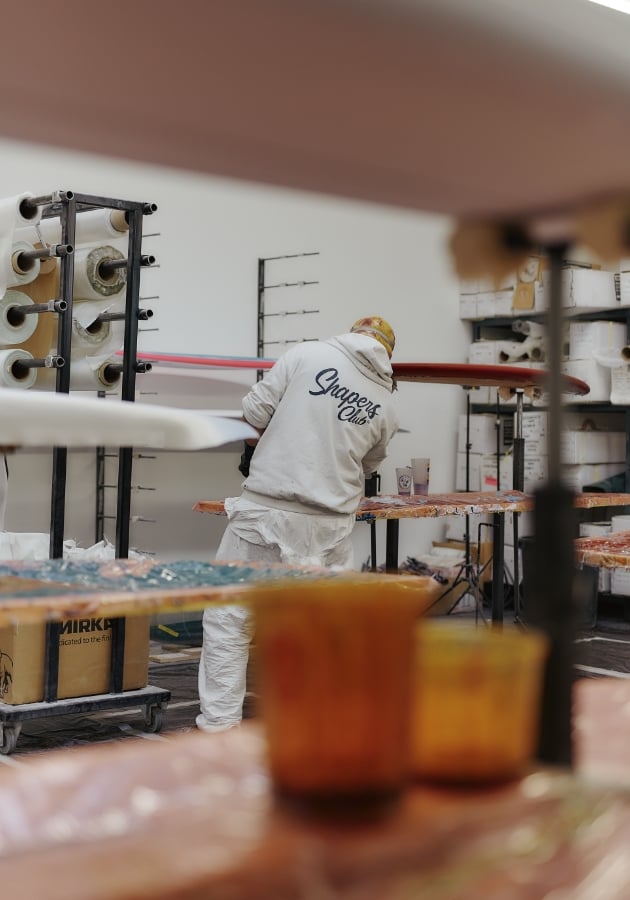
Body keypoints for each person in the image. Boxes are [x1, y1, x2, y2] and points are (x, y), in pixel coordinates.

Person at [196, 316, 399, 732]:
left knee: (230, 618)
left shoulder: (307, 354)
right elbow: (367, 466)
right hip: (329, 525)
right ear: (388, 354)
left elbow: (252, 417)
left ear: (352, 334)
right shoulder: (386, 403)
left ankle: (220, 728)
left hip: (267, 512)